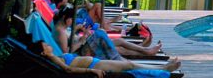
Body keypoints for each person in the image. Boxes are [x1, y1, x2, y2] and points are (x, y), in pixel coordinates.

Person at [27, 39, 179, 76]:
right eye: (45, 45)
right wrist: (90, 71)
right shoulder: (52, 57)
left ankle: (162, 69)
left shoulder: (54, 56)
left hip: (95, 63)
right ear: (43, 52)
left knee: (130, 65)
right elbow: (68, 69)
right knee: (130, 66)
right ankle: (163, 69)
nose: (48, 45)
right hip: (96, 67)